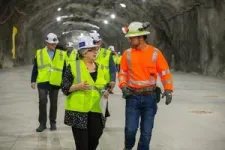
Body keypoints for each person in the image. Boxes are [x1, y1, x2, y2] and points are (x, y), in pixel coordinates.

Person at [118, 22, 174, 150]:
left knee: (146, 134)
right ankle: (128, 147)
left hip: (150, 98)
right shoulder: (127, 54)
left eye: (131, 38)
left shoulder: (155, 53)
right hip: (132, 97)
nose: (129, 40)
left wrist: (168, 90)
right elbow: (122, 73)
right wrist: (123, 86)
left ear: (141, 38)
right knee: (130, 130)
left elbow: (165, 73)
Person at [61, 35, 109, 150]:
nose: (95, 52)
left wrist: (105, 91)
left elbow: (102, 85)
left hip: (97, 110)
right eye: (91, 50)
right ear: (83, 52)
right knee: (82, 145)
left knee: (95, 139)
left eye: (96, 49)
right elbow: (64, 87)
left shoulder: (100, 67)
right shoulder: (73, 66)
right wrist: (77, 86)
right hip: (78, 112)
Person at [31, 33, 67, 132]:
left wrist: (65, 82)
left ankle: (52, 123)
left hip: (55, 81)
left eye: (55, 44)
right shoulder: (39, 53)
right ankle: (42, 124)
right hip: (43, 81)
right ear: (46, 43)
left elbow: (64, 69)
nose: (54, 46)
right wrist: (33, 80)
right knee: (42, 102)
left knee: (54, 103)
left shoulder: (61, 54)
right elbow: (35, 68)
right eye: (52, 44)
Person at [90, 32, 116, 118]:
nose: (96, 45)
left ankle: (102, 122)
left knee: (103, 105)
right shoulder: (85, 54)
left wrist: (112, 80)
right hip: (89, 84)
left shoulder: (107, 53)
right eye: (93, 43)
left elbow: (112, 69)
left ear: (100, 42)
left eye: (97, 42)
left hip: (104, 84)